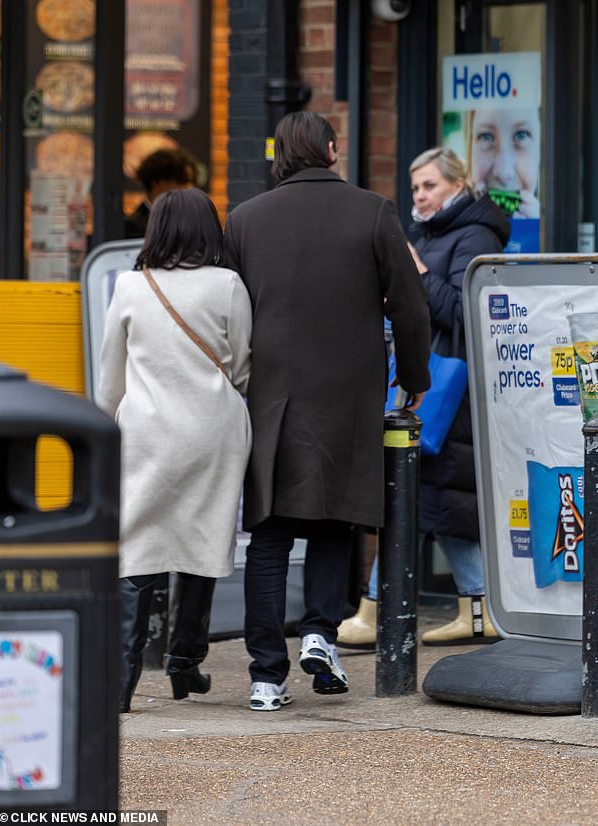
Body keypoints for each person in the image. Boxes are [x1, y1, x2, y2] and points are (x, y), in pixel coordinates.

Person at [223, 111, 431, 711]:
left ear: (278, 158)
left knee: (269, 530)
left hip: (271, 392)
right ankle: (319, 632)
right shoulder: (373, 211)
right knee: (334, 519)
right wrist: (414, 379)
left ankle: (266, 675)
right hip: (348, 391)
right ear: (333, 150)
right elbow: (410, 307)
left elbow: (232, 315)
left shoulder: (245, 221)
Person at [338, 146, 509, 648]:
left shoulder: (474, 235)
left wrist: (416, 271)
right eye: (415, 188)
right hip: (425, 383)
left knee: (420, 496)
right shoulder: (434, 235)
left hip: (449, 386)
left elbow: (465, 310)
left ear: (458, 185)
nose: (420, 196)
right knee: (418, 497)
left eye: (430, 185)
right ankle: (468, 608)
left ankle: (386, 610)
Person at [98, 188, 252, 712]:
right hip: (212, 431)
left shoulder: (130, 286)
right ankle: (185, 664)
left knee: (137, 545)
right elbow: (242, 367)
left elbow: (108, 384)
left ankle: (121, 679)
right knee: (201, 539)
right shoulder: (229, 285)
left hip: (146, 432)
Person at [469, 107, 541, 219]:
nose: (503, 173)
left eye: (522, 135)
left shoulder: (553, 231)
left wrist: (534, 231)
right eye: (486, 137)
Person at [123, 147, 198, 238]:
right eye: (182, 182)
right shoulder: (130, 229)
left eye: (192, 183)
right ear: (158, 182)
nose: (190, 188)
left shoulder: (195, 226)